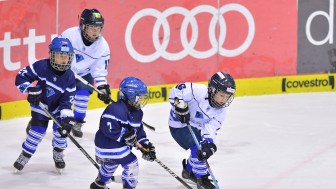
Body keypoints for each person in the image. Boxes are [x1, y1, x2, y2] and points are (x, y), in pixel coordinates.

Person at [25, 8, 111, 137]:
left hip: (83, 74)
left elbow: (99, 71)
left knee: (83, 95)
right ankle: (38, 118)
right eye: (92, 28)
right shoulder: (70, 35)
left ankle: (77, 122)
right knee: (52, 97)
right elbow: (56, 52)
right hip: (62, 72)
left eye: (98, 28)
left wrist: (102, 87)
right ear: (82, 26)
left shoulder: (103, 47)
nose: (95, 32)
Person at [13, 37, 76, 173]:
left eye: (66, 56)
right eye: (60, 56)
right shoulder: (41, 66)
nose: (63, 60)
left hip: (58, 109)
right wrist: (30, 89)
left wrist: (67, 117)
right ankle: (25, 154)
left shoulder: (70, 77)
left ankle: (58, 153)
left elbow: (67, 100)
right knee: (36, 133)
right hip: (40, 105)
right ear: (52, 55)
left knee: (61, 134)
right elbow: (21, 76)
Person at [168, 72, 236, 189]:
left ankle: (188, 171)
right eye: (221, 95)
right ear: (212, 90)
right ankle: (202, 178)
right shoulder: (197, 91)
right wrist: (180, 107)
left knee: (202, 150)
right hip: (179, 124)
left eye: (227, 97)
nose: (223, 100)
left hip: (196, 127)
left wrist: (208, 143)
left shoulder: (221, 112)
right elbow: (176, 91)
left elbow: (211, 128)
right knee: (197, 148)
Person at [90, 76, 156, 189]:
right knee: (132, 164)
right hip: (106, 145)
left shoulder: (138, 113)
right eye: (139, 97)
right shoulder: (115, 109)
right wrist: (124, 135)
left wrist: (145, 145)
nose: (141, 100)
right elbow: (108, 128)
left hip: (116, 147)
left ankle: (98, 184)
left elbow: (138, 131)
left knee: (111, 164)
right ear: (130, 96)